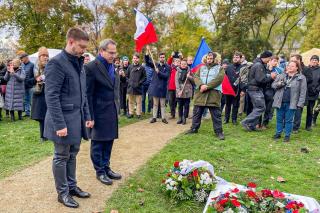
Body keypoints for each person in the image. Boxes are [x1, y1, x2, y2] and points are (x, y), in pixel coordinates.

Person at [44, 27, 93, 208]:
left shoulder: (79, 63)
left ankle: (72, 187)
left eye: (85, 47)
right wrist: (59, 124)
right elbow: (51, 96)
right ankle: (62, 193)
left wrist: (87, 115)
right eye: (81, 46)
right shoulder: (56, 63)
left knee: (73, 155)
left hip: (77, 119)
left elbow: (83, 94)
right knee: (61, 156)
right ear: (71, 41)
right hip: (62, 121)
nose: (83, 50)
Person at [85, 39, 122, 186]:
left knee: (109, 141)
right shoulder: (91, 67)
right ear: (101, 51)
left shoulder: (112, 66)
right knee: (98, 143)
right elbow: (87, 95)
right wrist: (90, 116)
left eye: (114, 52)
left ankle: (106, 167)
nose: (114, 55)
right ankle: (99, 171)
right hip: (98, 113)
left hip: (111, 110)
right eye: (111, 52)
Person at [186, 52, 225, 140]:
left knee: (216, 116)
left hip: (213, 95)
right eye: (208, 58)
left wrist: (207, 86)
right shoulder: (201, 68)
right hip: (200, 94)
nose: (209, 60)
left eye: (211, 58)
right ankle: (194, 129)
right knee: (197, 113)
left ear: (215, 59)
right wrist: (201, 85)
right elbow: (196, 77)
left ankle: (219, 132)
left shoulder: (220, 68)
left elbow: (219, 79)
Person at [241, 51, 276, 131]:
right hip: (255, 89)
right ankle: (246, 122)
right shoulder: (258, 65)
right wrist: (271, 77)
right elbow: (260, 79)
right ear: (266, 57)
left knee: (257, 107)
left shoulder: (258, 64)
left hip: (254, 89)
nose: (269, 60)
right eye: (269, 59)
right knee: (261, 107)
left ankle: (251, 126)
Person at [272, 61, 307, 142]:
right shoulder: (282, 75)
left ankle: (287, 135)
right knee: (279, 119)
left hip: (292, 103)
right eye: (288, 66)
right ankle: (278, 133)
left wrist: (300, 104)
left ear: (297, 68)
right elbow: (273, 85)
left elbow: (303, 92)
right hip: (280, 101)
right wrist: (280, 83)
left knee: (289, 120)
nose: (289, 67)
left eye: (292, 66)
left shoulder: (301, 78)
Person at [146, 48, 170, 124]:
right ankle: (154, 117)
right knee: (155, 104)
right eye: (161, 57)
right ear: (159, 58)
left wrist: (159, 72)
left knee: (162, 104)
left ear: (165, 58)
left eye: (163, 57)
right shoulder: (155, 64)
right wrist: (147, 53)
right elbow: (147, 62)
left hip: (163, 88)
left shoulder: (167, 67)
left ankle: (163, 118)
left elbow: (166, 76)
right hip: (155, 87)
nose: (162, 58)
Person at [31, 47, 49, 142]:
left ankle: (48, 134)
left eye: (47, 55)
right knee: (41, 117)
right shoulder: (33, 67)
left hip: (48, 93)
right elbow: (27, 81)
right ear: (39, 56)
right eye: (43, 55)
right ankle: (42, 136)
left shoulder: (50, 66)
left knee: (48, 115)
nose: (45, 57)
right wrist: (36, 80)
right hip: (38, 94)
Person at [224, 52, 243, 124]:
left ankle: (234, 119)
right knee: (227, 104)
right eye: (234, 57)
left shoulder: (242, 68)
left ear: (240, 58)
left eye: (237, 57)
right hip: (228, 89)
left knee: (235, 105)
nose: (235, 58)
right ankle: (226, 118)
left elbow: (244, 80)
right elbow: (225, 78)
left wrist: (243, 90)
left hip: (237, 89)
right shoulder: (228, 67)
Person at [126, 53, 146, 119]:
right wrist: (130, 82)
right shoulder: (129, 67)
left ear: (139, 59)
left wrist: (139, 83)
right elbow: (126, 76)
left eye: (137, 58)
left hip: (138, 87)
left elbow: (144, 77)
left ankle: (138, 114)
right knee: (131, 102)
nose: (135, 59)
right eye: (134, 58)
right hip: (130, 87)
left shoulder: (142, 67)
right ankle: (131, 113)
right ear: (132, 59)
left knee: (139, 102)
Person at [291, 54, 307, 133]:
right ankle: (288, 125)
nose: (292, 61)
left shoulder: (305, 69)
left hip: (300, 93)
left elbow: (307, 82)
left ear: (298, 60)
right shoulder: (289, 68)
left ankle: (295, 127)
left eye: (293, 60)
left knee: (298, 110)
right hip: (291, 94)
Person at [303, 55, 320, 131]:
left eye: (316, 60)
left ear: (318, 62)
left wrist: (317, 89)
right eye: (313, 60)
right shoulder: (306, 69)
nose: (314, 61)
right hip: (304, 92)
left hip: (314, 93)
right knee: (299, 109)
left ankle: (308, 125)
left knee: (310, 110)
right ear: (310, 61)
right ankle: (296, 125)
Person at [175, 58, 194, 125]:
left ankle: (184, 118)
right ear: (180, 64)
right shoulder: (177, 71)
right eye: (182, 64)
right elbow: (176, 82)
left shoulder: (190, 71)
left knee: (186, 106)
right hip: (180, 92)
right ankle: (180, 118)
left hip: (187, 91)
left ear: (186, 64)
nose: (183, 65)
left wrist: (189, 77)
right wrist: (178, 91)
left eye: (185, 64)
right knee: (180, 105)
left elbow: (194, 82)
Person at [19, 52, 34, 117]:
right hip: (23, 85)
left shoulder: (32, 65)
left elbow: (34, 75)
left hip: (30, 85)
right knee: (25, 99)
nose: (21, 59)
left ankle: (33, 112)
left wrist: (31, 82)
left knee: (31, 100)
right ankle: (27, 112)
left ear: (26, 57)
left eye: (22, 58)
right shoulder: (21, 65)